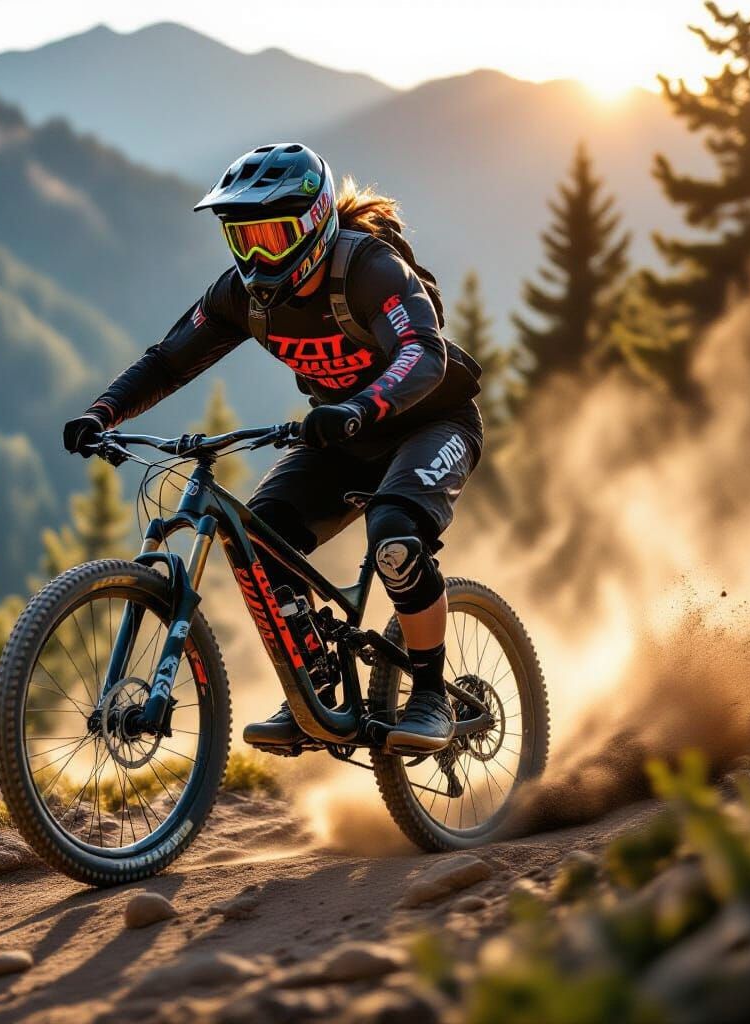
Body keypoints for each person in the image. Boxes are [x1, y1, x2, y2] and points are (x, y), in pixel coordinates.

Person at [63, 143, 483, 753]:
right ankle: (315, 692)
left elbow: (424, 351)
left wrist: (359, 408)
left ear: (314, 224)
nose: (257, 256)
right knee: (262, 542)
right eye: (243, 238)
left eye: (272, 236)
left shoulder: (369, 269)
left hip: (431, 422)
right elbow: (168, 362)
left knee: (395, 540)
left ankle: (429, 697)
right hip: (340, 433)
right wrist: (102, 412)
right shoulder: (240, 296)